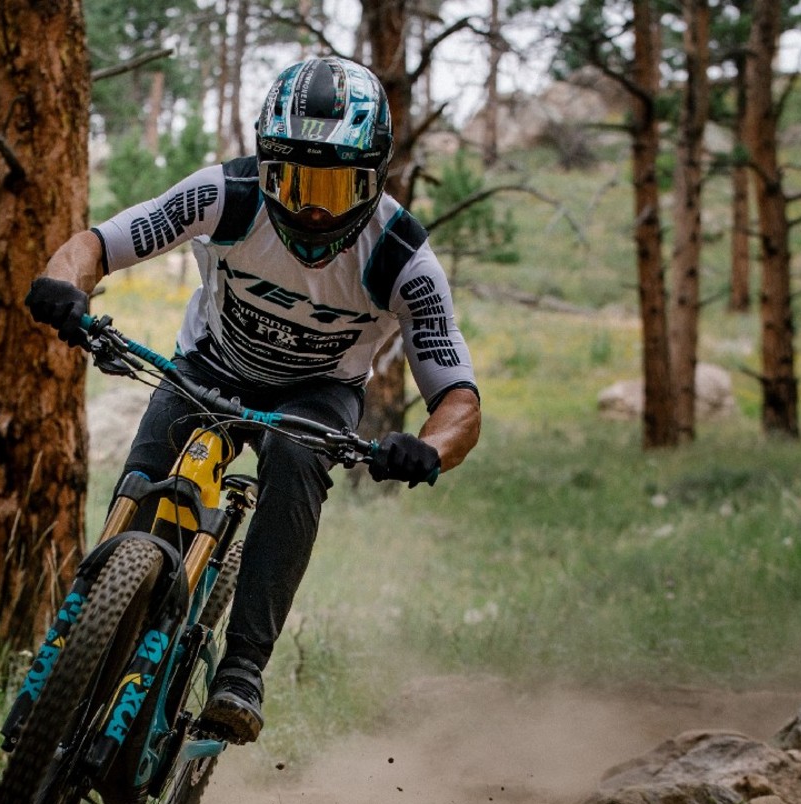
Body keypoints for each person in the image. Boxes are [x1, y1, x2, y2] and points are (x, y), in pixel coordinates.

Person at [25, 56, 481, 745]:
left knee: (298, 461)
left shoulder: (401, 258)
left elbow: (459, 401)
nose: (312, 206)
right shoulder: (226, 194)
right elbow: (97, 245)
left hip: (317, 394)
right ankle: (80, 649)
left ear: (374, 178)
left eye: (335, 186)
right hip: (210, 364)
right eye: (294, 180)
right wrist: (65, 286)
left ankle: (241, 669)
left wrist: (428, 448)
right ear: (265, 165)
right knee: (143, 486)